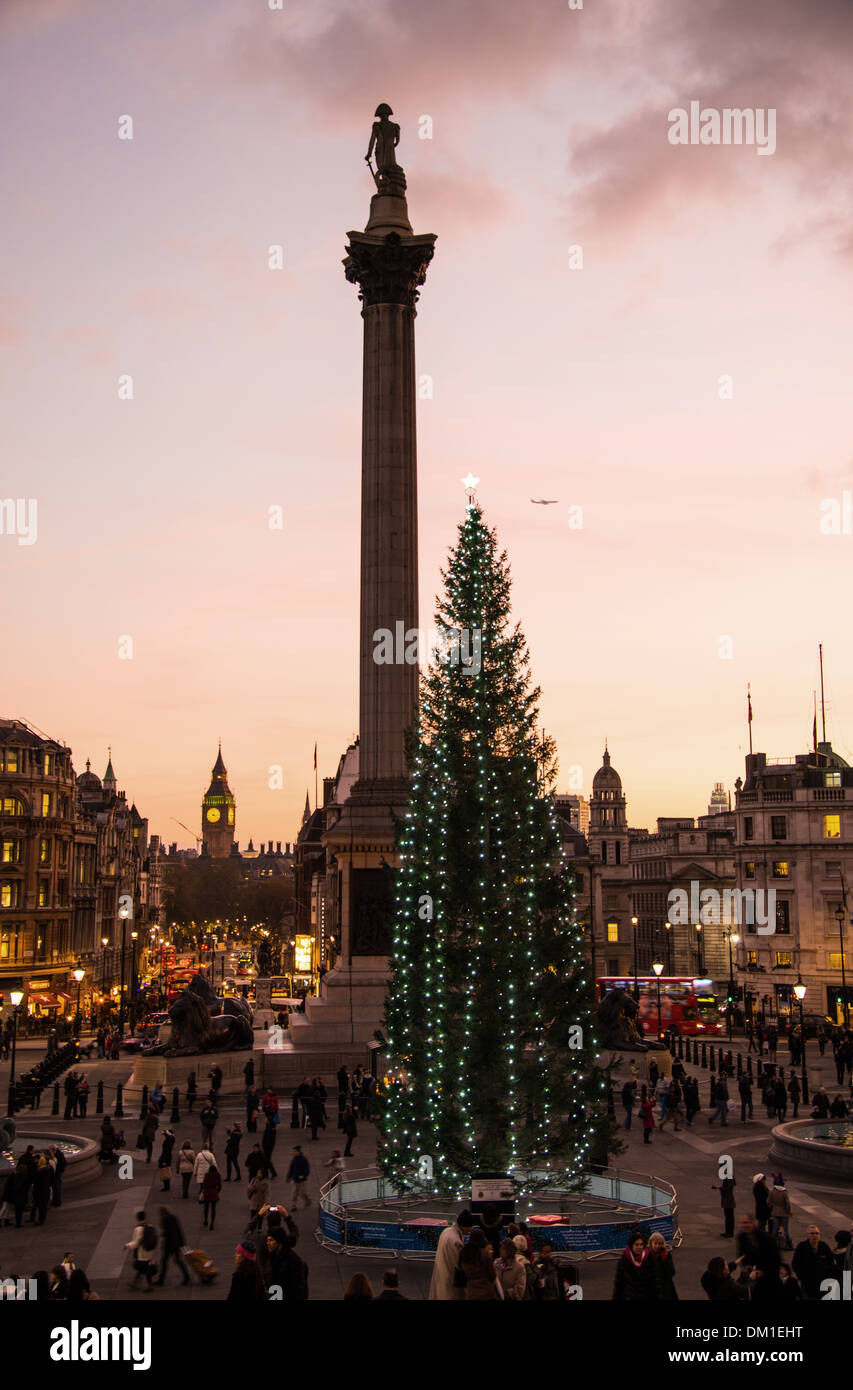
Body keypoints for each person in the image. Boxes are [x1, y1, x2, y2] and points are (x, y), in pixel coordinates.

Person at [429, 1208, 473, 1300]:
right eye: (469, 1227)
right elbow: (458, 1266)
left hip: (440, 1277)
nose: (469, 1230)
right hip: (449, 1281)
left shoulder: (446, 1231)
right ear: (464, 1225)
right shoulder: (456, 1242)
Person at [264, 1227, 309, 1300]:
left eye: (271, 1240)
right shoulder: (271, 1255)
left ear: (279, 1242)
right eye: (267, 1240)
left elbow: (299, 1288)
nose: (267, 1243)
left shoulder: (292, 1261)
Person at [792, 1225, 835, 1300]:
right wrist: (803, 1278)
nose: (815, 1235)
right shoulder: (802, 1247)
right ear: (807, 1235)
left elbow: (831, 1265)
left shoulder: (824, 1247)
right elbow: (795, 1264)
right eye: (812, 1233)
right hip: (808, 1286)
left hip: (823, 1285)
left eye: (817, 1233)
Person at [612, 1232, 657, 1300]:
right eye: (636, 1245)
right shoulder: (624, 1261)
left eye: (641, 1244)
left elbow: (655, 1281)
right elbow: (619, 1284)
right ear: (631, 1245)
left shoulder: (649, 1259)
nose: (639, 1247)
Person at [154, 1206, 191, 1286]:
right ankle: (186, 1276)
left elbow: (167, 1232)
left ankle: (161, 1280)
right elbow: (178, 1230)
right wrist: (182, 1242)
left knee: (164, 1262)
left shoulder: (164, 1219)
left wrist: (162, 1234)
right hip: (177, 1243)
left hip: (169, 1244)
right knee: (178, 1261)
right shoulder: (174, 1217)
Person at [461, 1226, 501, 1299]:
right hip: (486, 1292)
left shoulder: (464, 1253)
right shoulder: (485, 1254)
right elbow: (492, 1275)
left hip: (471, 1292)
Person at [125, 1210, 157, 1291]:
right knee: (143, 1266)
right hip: (149, 1250)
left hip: (142, 1252)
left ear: (137, 1218)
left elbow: (136, 1242)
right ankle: (135, 1282)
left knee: (144, 1267)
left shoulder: (138, 1229)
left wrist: (127, 1245)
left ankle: (150, 1285)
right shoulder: (150, 1226)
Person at [648, 1230, 678, 1299]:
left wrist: (664, 1259)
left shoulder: (666, 1256)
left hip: (665, 1290)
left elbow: (672, 1272)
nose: (657, 1246)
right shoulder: (647, 1256)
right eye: (655, 1243)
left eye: (660, 1244)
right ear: (651, 1244)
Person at [768, 1174, 793, 1250]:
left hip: (775, 1212)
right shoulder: (784, 1193)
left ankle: (772, 1244)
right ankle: (789, 1243)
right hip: (784, 1213)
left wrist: (773, 1207)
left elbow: (768, 1202)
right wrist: (789, 1211)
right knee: (786, 1230)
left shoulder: (772, 1192)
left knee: (775, 1229)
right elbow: (787, 1204)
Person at [201, 1156, 222, 1230]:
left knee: (206, 1207)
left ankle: (206, 1220)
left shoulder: (207, 1175)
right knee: (213, 1208)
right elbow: (219, 1186)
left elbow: (204, 1184)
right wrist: (217, 1191)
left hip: (207, 1192)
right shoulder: (217, 1175)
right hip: (214, 1192)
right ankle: (212, 1223)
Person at [712, 1174, 736, 1238]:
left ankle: (730, 1232)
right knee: (727, 1217)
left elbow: (727, 1189)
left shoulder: (729, 1177)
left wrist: (719, 1187)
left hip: (729, 1200)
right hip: (727, 1200)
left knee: (729, 1217)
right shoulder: (728, 1177)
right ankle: (727, 1231)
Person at [287, 1145, 310, 1209]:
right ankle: (293, 1205)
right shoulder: (294, 1159)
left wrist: (304, 1175)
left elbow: (307, 1168)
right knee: (294, 1193)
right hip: (295, 1179)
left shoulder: (303, 1159)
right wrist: (289, 1176)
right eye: (293, 1151)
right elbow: (291, 1168)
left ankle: (307, 1200)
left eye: (295, 1151)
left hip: (302, 1180)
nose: (294, 1153)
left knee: (302, 1193)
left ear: (299, 1152)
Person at [247, 1167, 270, 1232]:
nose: (258, 1174)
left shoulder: (265, 1183)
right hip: (254, 1201)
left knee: (260, 1216)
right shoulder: (254, 1180)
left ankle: (259, 1228)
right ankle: (252, 1228)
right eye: (258, 1173)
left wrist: (266, 1202)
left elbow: (266, 1193)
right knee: (253, 1215)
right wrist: (254, 1186)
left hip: (261, 1202)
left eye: (259, 1173)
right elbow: (249, 1189)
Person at [49, 1144, 67, 1208]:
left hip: (57, 1173)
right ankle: (56, 1200)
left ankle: (57, 1201)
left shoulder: (57, 1155)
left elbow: (59, 1165)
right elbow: (64, 1163)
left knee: (57, 1188)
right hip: (59, 1173)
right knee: (57, 1187)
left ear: (53, 1149)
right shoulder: (60, 1154)